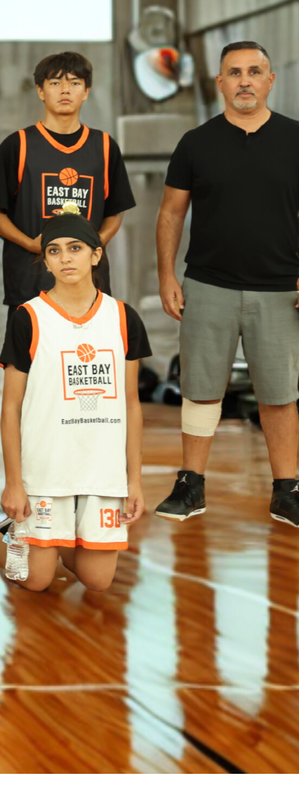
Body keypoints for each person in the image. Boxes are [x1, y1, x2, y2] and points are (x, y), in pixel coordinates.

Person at [0, 214, 149, 594]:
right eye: (54, 251)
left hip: (102, 470)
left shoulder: (124, 318)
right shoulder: (29, 318)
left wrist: (134, 480)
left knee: (98, 582)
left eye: (75, 249)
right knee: (33, 579)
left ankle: (57, 540)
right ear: (45, 261)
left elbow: (131, 404)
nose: (65, 259)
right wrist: (14, 483)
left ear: (96, 256)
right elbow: (11, 407)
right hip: (45, 471)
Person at [154, 41, 299, 527]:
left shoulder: (295, 139)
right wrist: (166, 274)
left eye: (254, 71)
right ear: (219, 82)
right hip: (208, 285)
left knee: (280, 394)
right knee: (200, 389)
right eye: (234, 73)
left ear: (270, 80)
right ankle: (190, 486)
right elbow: (171, 212)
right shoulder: (196, 143)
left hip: (281, 289)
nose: (244, 81)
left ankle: (287, 491)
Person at [0, 51, 135, 312]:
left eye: (74, 83)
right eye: (55, 83)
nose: (65, 90)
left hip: (89, 285)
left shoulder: (105, 146)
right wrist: (30, 243)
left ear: (86, 91)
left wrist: (92, 242)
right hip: (31, 283)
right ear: (40, 91)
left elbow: (115, 212)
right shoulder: (18, 145)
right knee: (30, 351)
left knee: (88, 351)